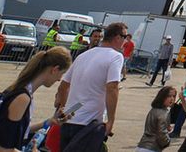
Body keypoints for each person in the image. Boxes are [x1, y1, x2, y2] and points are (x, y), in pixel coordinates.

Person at [53, 21, 129, 152]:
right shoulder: (116, 56)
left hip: (69, 122)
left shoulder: (83, 56)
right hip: (88, 125)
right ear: (117, 37)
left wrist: (63, 108)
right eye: (125, 37)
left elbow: (63, 86)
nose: (125, 41)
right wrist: (111, 121)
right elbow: (112, 88)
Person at [0, 46, 72, 152]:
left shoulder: (23, 91)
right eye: (61, 74)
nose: (59, 79)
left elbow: (17, 132)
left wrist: (48, 122)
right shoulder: (22, 98)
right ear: (55, 69)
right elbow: (2, 148)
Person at [139, 86, 178, 152]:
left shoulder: (153, 110)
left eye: (174, 96)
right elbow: (162, 133)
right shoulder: (164, 113)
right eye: (169, 96)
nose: (172, 99)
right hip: (152, 148)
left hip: (142, 146)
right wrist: (167, 141)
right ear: (162, 97)